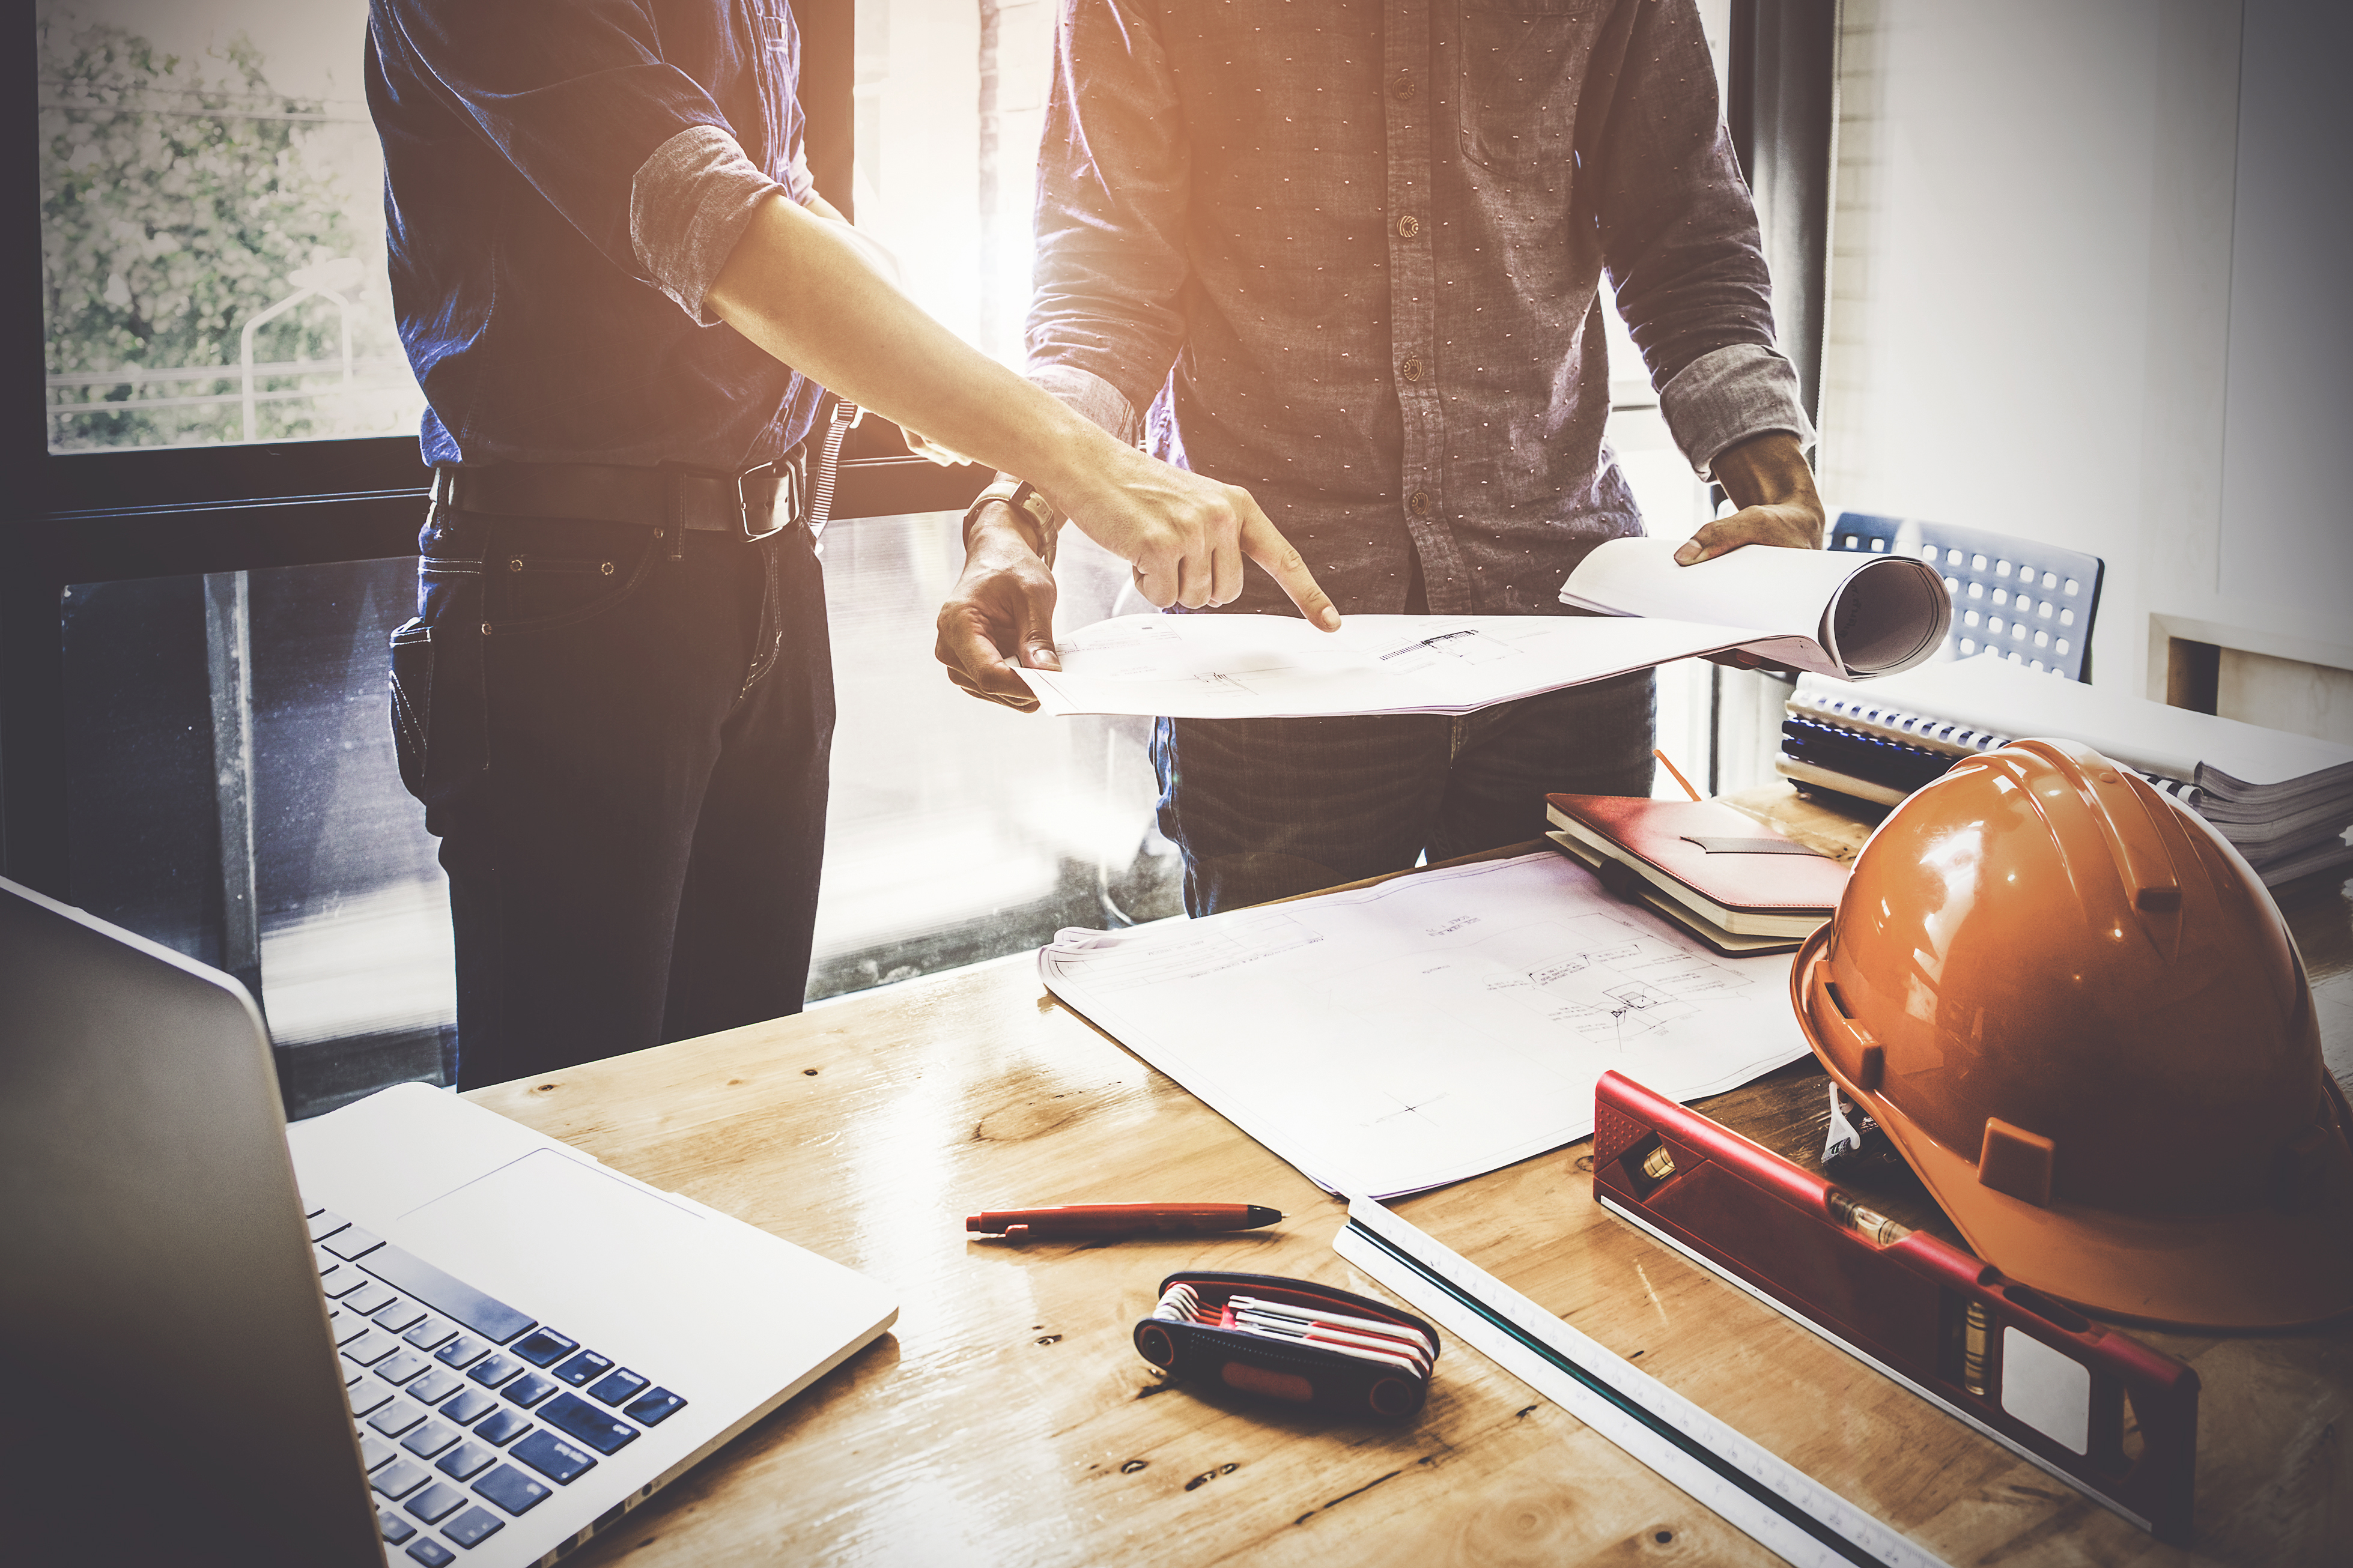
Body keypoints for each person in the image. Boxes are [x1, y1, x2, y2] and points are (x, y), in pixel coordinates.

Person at [366, 0, 1337, 1088]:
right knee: (574, 1104)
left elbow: (798, 213)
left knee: (743, 1084)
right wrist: (1082, 465)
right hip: (568, 582)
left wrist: (980, 422)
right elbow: (721, 226)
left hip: (766, 566)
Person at [935, 0, 1826, 915]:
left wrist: (1779, 484)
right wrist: (1019, 509)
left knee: (1579, 1022)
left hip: (1565, 621)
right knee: (1280, 1034)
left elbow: (1683, 238)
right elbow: (1105, 291)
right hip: (1272, 656)